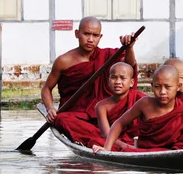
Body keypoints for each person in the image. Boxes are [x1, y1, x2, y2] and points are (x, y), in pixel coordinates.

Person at [41, 16, 138, 144]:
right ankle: (109, 139)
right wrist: (50, 109)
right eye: (86, 34)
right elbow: (47, 88)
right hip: (79, 116)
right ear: (77, 34)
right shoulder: (63, 61)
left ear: (100, 37)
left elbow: (128, 67)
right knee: (61, 119)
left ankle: (107, 138)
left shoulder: (108, 56)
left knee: (136, 110)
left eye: (95, 35)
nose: (90, 39)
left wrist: (129, 48)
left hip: (106, 112)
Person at [92, 65, 183, 153]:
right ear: (152, 86)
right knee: (125, 152)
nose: (162, 92)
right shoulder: (145, 104)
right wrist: (107, 148)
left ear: (178, 86)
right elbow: (119, 123)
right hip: (143, 152)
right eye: (157, 86)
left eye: (168, 87)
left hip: (169, 153)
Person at [90, 62, 146, 151]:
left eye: (123, 78)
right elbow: (106, 134)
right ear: (108, 81)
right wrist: (128, 147)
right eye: (113, 77)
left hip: (139, 140)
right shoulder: (101, 106)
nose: (117, 82)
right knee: (95, 141)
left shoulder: (141, 100)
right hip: (115, 141)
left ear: (131, 83)